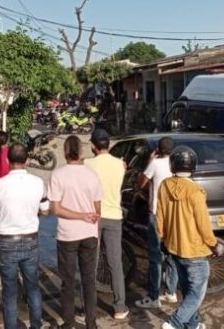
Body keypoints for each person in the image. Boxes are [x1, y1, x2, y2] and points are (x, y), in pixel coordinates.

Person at [157, 146, 223, 329]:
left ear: (172, 165)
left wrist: (162, 240)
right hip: (195, 252)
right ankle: (174, 323)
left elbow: (159, 217)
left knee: (187, 292)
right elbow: (203, 224)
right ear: (192, 166)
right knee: (196, 295)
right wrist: (214, 244)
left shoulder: (164, 186)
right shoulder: (196, 191)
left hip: (174, 249)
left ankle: (193, 325)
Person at [0, 143, 49, 329]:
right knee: (33, 288)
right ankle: (35, 326)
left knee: (10, 292)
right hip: (31, 240)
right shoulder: (38, 182)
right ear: (27, 160)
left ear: (7, 161)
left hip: (7, 242)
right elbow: (45, 211)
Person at [48, 135, 103, 329]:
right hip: (89, 234)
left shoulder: (58, 175)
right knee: (89, 280)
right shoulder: (92, 175)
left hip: (67, 235)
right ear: (81, 152)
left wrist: (79, 216)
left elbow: (56, 208)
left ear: (64, 152)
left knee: (68, 281)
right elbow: (97, 209)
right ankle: (91, 323)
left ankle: (69, 322)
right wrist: (88, 217)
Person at [84, 129, 129, 320]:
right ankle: (119, 307)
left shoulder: (87, 164)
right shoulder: (120, 164)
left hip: (93, 216)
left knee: (90, 262)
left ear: (93, 145)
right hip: (114, 216)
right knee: (115, 263)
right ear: (109, 144)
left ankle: (89, 308)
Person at [135, 136, 178, 309]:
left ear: (158, 150)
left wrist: (149, 161)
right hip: (174, 214)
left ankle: (154, 296)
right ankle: (171, 292)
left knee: (155, 256)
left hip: (157, 214)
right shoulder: (176, 164)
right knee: (173, 253)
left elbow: (141, 183)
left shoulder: (156, 163)